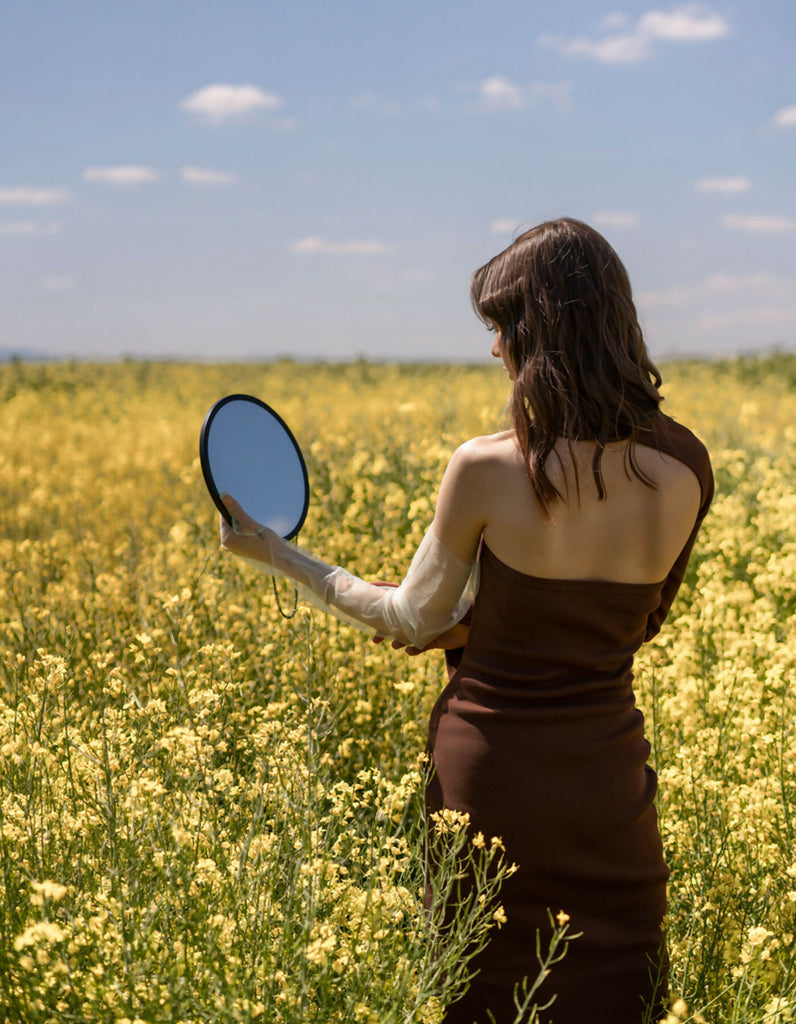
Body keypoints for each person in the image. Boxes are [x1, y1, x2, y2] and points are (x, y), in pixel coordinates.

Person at [218, 217, 713, 1023]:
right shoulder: (686, 466)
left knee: (481, 993)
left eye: (501, 327)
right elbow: (631, 623)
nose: (494, 350)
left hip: (492, 779)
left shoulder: (487, 466)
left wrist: (279, 554)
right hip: (608, 792)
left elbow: (411, 618)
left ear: (540, 332)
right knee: (618, 993)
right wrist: (495, 625)